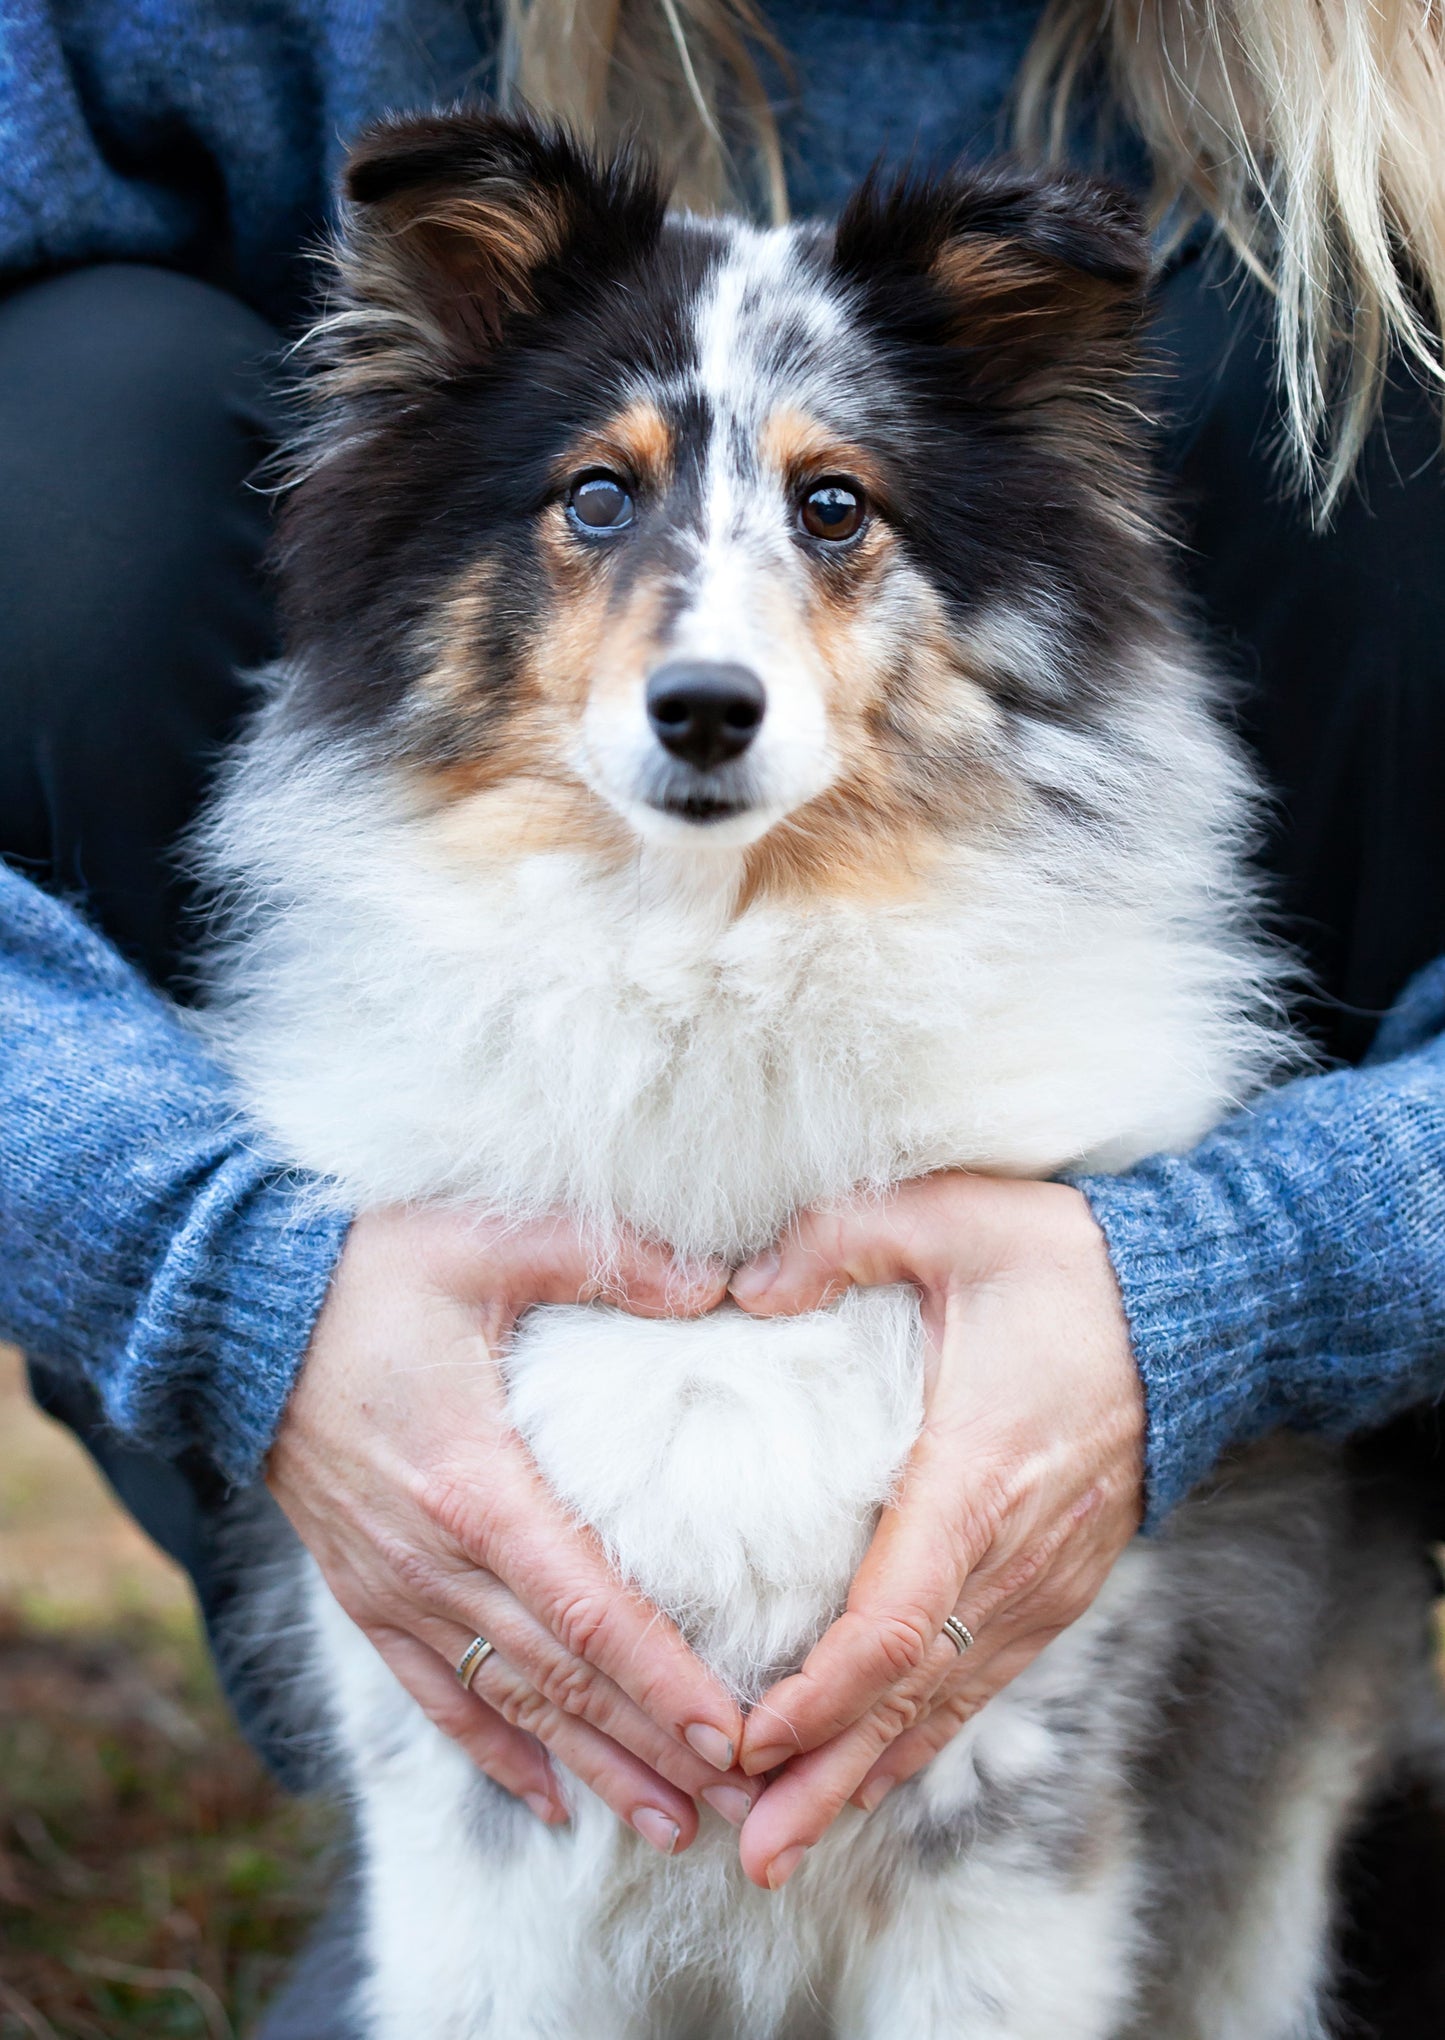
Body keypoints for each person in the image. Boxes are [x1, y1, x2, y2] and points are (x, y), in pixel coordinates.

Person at [3, 2, 1445, 2031]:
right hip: (451, 1160)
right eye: (604, 503)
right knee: (60, 420)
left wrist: (1241, 1272)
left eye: (832, 514)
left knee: (1378, 357)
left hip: (1106, 1727)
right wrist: (225, 1276)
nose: (711, 645)